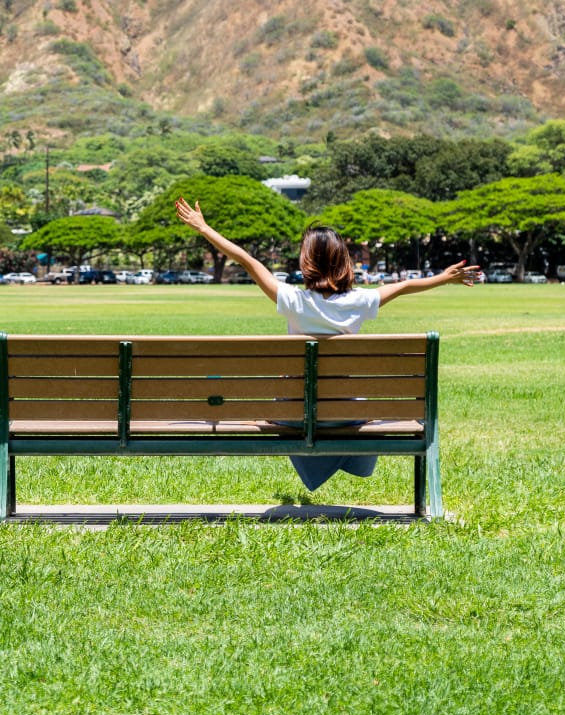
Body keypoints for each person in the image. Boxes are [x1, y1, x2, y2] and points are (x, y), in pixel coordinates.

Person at [174, 197, 481, 493]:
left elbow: (247, 260)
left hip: (298, 413)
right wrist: (444, 278)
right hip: (346, 413)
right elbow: (403, 286)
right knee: (360, 410)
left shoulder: (292, 300)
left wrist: (203, 228)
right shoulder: (360, 301)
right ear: (343, 260)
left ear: (306, 261)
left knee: (287, 407)